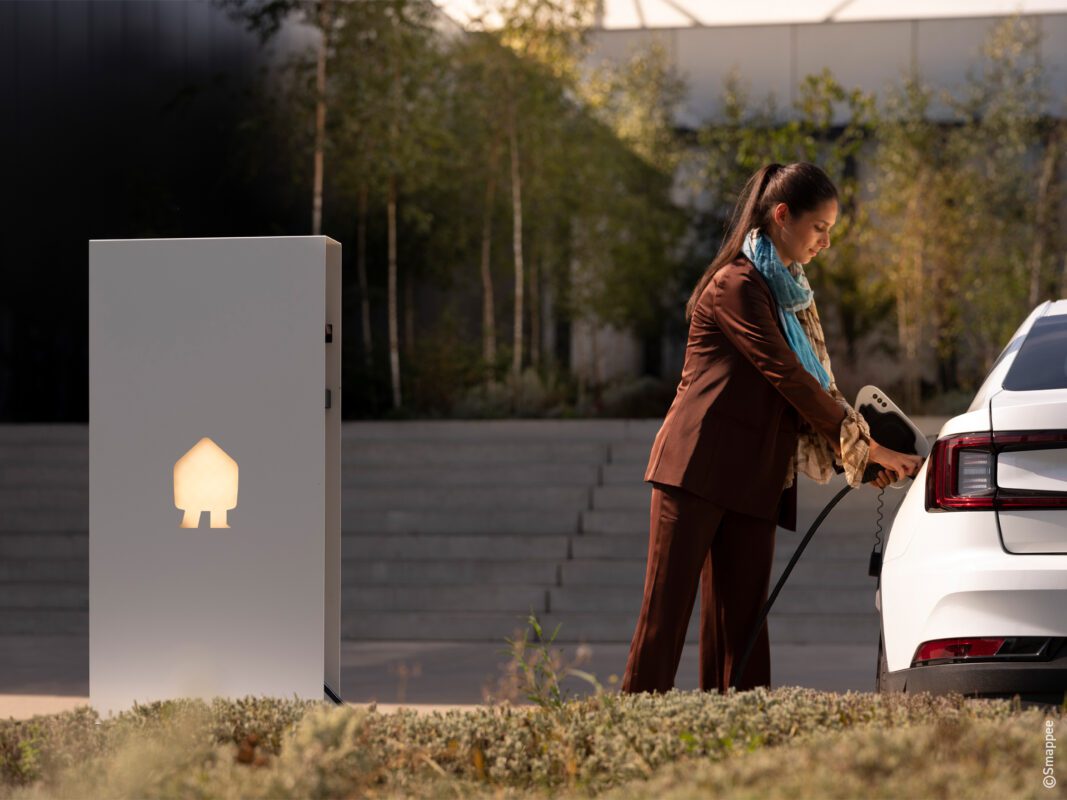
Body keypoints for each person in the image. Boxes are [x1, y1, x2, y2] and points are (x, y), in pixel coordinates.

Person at [620, 161, 923, 695]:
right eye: (819, 228)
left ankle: (738, 753)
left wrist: (854, 455)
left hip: (755, 478)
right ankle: (625, 750)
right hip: (693, 472)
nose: (825, 243)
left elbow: (805, 388)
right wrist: (863, 447)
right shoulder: (734, 285)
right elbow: (786, 374)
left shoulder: (790, 296)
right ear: (782, 216)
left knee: (742, 635)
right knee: (662, 625)